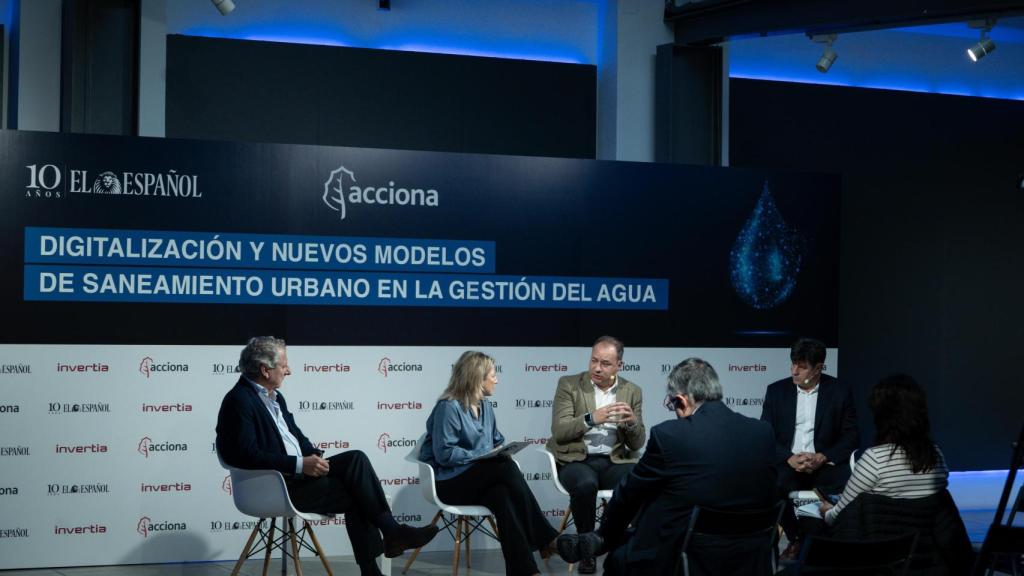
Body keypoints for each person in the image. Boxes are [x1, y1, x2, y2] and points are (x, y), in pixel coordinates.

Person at [216, 337, 439, 576]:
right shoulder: (239, 400)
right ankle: (388, 541)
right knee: (357, 493)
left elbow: (296, 436)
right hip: (277, 487)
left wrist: (313, 455)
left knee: (356, 459)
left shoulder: (275, 397)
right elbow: (245, 455)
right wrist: (301, 465)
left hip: (298, 476)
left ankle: (390, 537)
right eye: (284, 366)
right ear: (265, 370)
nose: (289, 371)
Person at [557, 358, 778, 576]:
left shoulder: (670, 435)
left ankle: (601, 540)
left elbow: (630, 493)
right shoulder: (762, 433)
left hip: (688, 557)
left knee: (621, 557)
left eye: (673, 404)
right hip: (753, 558)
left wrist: (606, 534)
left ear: (681, 401)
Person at [420, 351, 559, 576]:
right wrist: (482, 455)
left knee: (502, 495)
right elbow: (444, 454)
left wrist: (502, 449)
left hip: (478, 481)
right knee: (505, 467)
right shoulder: (449, 407)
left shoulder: (486, 407)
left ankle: (524, 571)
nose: (497, 380)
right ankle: (546, 538)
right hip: (449, 483)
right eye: (493, 375)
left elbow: (496, 440)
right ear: (477, 377)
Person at [818, 374, 972, 574]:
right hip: (927, 562)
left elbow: (839, 517)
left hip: (879, 562)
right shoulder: (936, 458)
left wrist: (826, 510)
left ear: (881, 416)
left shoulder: (874, 459)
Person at [545, 335, 645, 574]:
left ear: (619, 365)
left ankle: (624, 546)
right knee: (585, 484)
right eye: (594, 361)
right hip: (575, 459)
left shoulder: (632, 391)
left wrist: (632, 424)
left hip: (613, 460)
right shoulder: (569, 384)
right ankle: (586, 551)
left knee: (639, 481)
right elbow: (560, 431)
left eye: (605, 363)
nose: (597, 368)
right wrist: (592, 418)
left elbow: (637, 442)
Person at [760, 337, 858, 557]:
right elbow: (766, 435)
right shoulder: (776, 391)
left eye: (802, 367)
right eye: (793, 363)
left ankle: (804, 543)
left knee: (812, 492)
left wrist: (822, 457)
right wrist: (789, 458)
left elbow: (851, 436)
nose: (794, 371)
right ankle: (802, 540)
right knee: (779, 484)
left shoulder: (840, 391)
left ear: (818, 368)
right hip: (788, 464)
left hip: (825, 465)